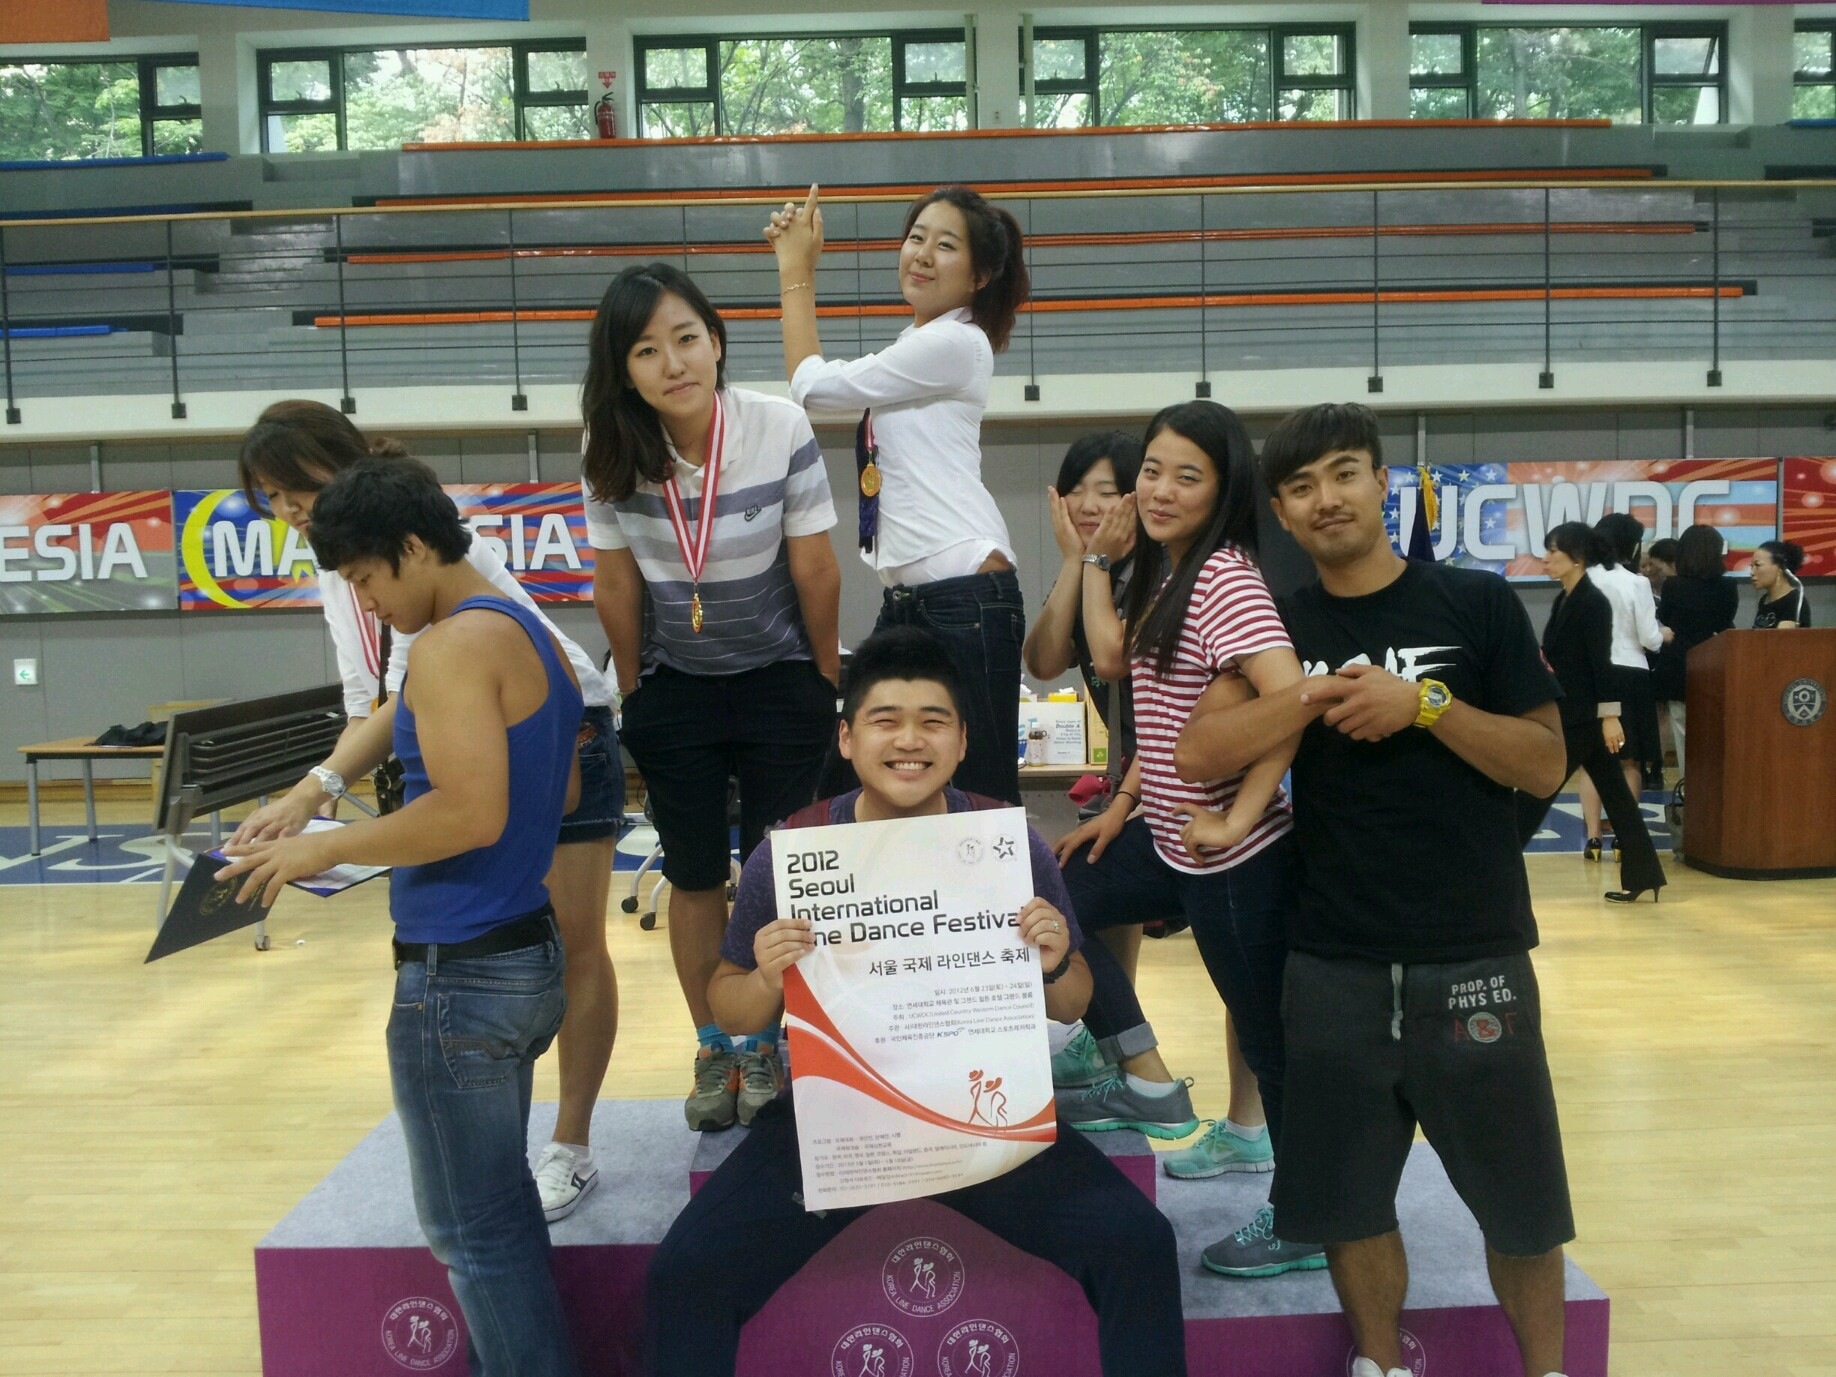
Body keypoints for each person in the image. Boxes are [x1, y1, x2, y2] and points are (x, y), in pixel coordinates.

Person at [643, 627, 1187, 1377]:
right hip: (841, 1123)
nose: (909, 740)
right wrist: (766, 979)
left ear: (962, 741)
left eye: (933, 721)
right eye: (885, 720)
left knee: (1140, 1244)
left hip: (984, 1118)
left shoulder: (1005, 843)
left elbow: (1072, 1003)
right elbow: (730, 1008)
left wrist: (1057, 959)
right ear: (847, 737)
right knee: (686, 1272)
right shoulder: (796, 850)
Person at [1178, 402, 1575, 1377]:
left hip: (1475, 950)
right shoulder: (1280, 627)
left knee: (1523, 1208)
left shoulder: (1475, 603)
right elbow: (1199, 751)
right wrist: (1307, 693)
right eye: (1301, 485)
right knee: (1350, 1205)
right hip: (1333, 959)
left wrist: (1425, 704)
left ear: (1381, 480)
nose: (1326, 498)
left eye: (1344, 472)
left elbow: (1543, 761)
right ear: (1281, 510)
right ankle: (1380, 1364)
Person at [218, 458, 585, 1377]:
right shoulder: (529, 633)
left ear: (415, 546)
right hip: (527, 950)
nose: (366, 602)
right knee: (500, 1214)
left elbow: (469, 812)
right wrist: (317, 792)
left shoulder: (452, 646)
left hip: (461, 974)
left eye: (365, 577)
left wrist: (323, 848)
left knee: (473, 1232)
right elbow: (566, 788)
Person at [1049, 400, 1316, 1277]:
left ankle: (1306, 1216)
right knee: (1058, 894)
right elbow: (1151, 700)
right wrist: (1122, 802)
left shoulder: (1225, 578)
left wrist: (1238, 815)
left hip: (1233, 857)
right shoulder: (1171, 571)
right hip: (1166, 838)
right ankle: (1144, 1075)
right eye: (1152, 471)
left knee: (1268, 1034)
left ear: (1224, 489)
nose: (1160, 490)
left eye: (1186, 476)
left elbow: (1294, 700)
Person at [581, 263, 842, 1134]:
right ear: (624, 371)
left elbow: (815, 566)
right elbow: (615, 583)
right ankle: (712, 1043)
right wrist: (634, 689)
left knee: (776, 873)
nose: (673, 362)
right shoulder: (609, 450)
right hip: (677, 689)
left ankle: (763, 1039)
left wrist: (823, 679)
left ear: (717, 342)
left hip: (779, 680)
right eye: (646, 350)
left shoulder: (778, 426)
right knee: (693, 874)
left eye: (686, 338)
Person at [767, 183, 1030, 804]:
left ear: (980, 276)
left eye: (946, 245)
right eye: (916, 237)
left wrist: (797, 272)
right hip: (916, 599)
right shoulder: (918, 344)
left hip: (965, 596)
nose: (923, 254)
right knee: (855, 776)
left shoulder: (956, 342)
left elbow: (813, 389)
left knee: (983, 795)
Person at [1514, 524, 1668, 902]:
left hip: (1583, 718)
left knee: (1538, 787)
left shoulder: (1593, 602)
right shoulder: (1565, 599)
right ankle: (1645, 874)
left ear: (1577, 558)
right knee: (1617, 798)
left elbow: (1602, 666)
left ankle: (1494, 863)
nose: (1546, 558)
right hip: (1573, 712)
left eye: (1553, 551)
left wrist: (1610, 717)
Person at [1575, 513, 1662, 860]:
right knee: (1629, 762)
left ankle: (1593, 839)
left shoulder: (1581, 579)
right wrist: (1664, 635)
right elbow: (1649, 638)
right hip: (1630, 674)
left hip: (1589, 676)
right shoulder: (1636, 583)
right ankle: (1624, 838)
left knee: (1589, 760)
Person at [1653, 523, 1738, 774]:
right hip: (1715, 661)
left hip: (1679, 664)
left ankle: (1687, 786)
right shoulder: (1728, 587)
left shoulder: (1673, 585)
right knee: (1713, 732)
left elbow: (1664, 618)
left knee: (1682, 731)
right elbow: (1725, 621)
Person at [1750, 539, 1811, 628]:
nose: (1752, 572)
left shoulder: (1794, 601)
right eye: (1751, 566)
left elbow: (1782, 635)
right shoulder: (1764, 600)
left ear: (1780, 568)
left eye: (1758, 565)